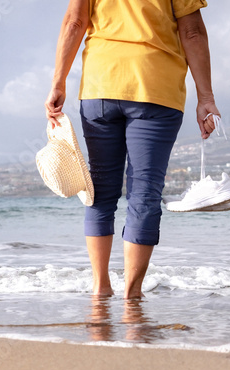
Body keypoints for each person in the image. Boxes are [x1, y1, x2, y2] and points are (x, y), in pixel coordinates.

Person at [45, 0, 220, 299]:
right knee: (145, 192)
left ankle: (100, 288)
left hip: (102, 85)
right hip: (156, 88)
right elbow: (192, 32)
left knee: (98, 190)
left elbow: (75, 22)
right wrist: (205, 97)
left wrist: (58, 81)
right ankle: (132, 294)